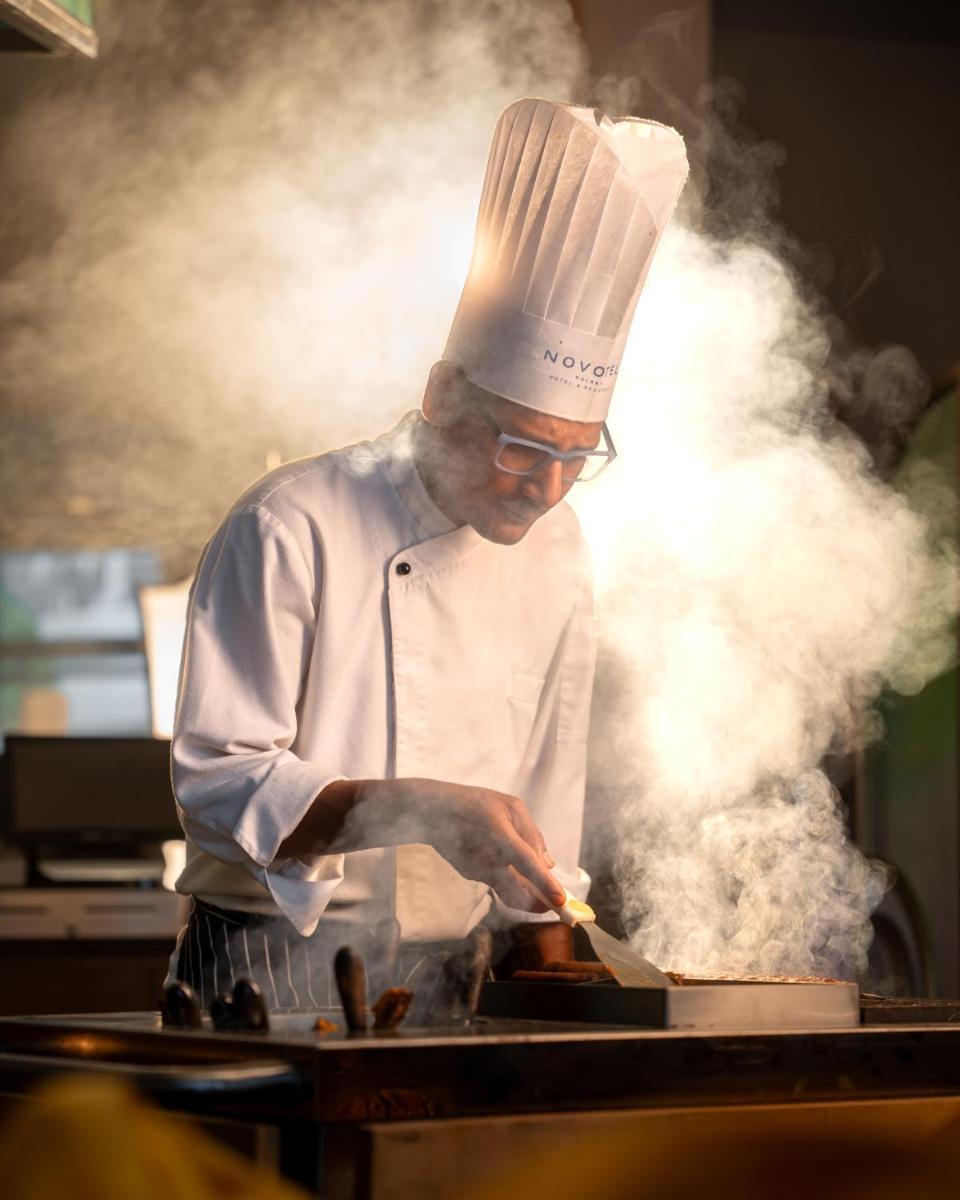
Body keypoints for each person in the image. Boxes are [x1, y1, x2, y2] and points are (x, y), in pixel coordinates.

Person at [167, 98, 688, 1012]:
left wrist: (562, 962)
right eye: (524, 446)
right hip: (271, 958)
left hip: (457, 975)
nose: (546, 486)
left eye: (578, 455)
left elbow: (547, 799)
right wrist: (418, 810)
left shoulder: (560, 546)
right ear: (443, 393)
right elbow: (217, 778)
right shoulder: (293, 521)